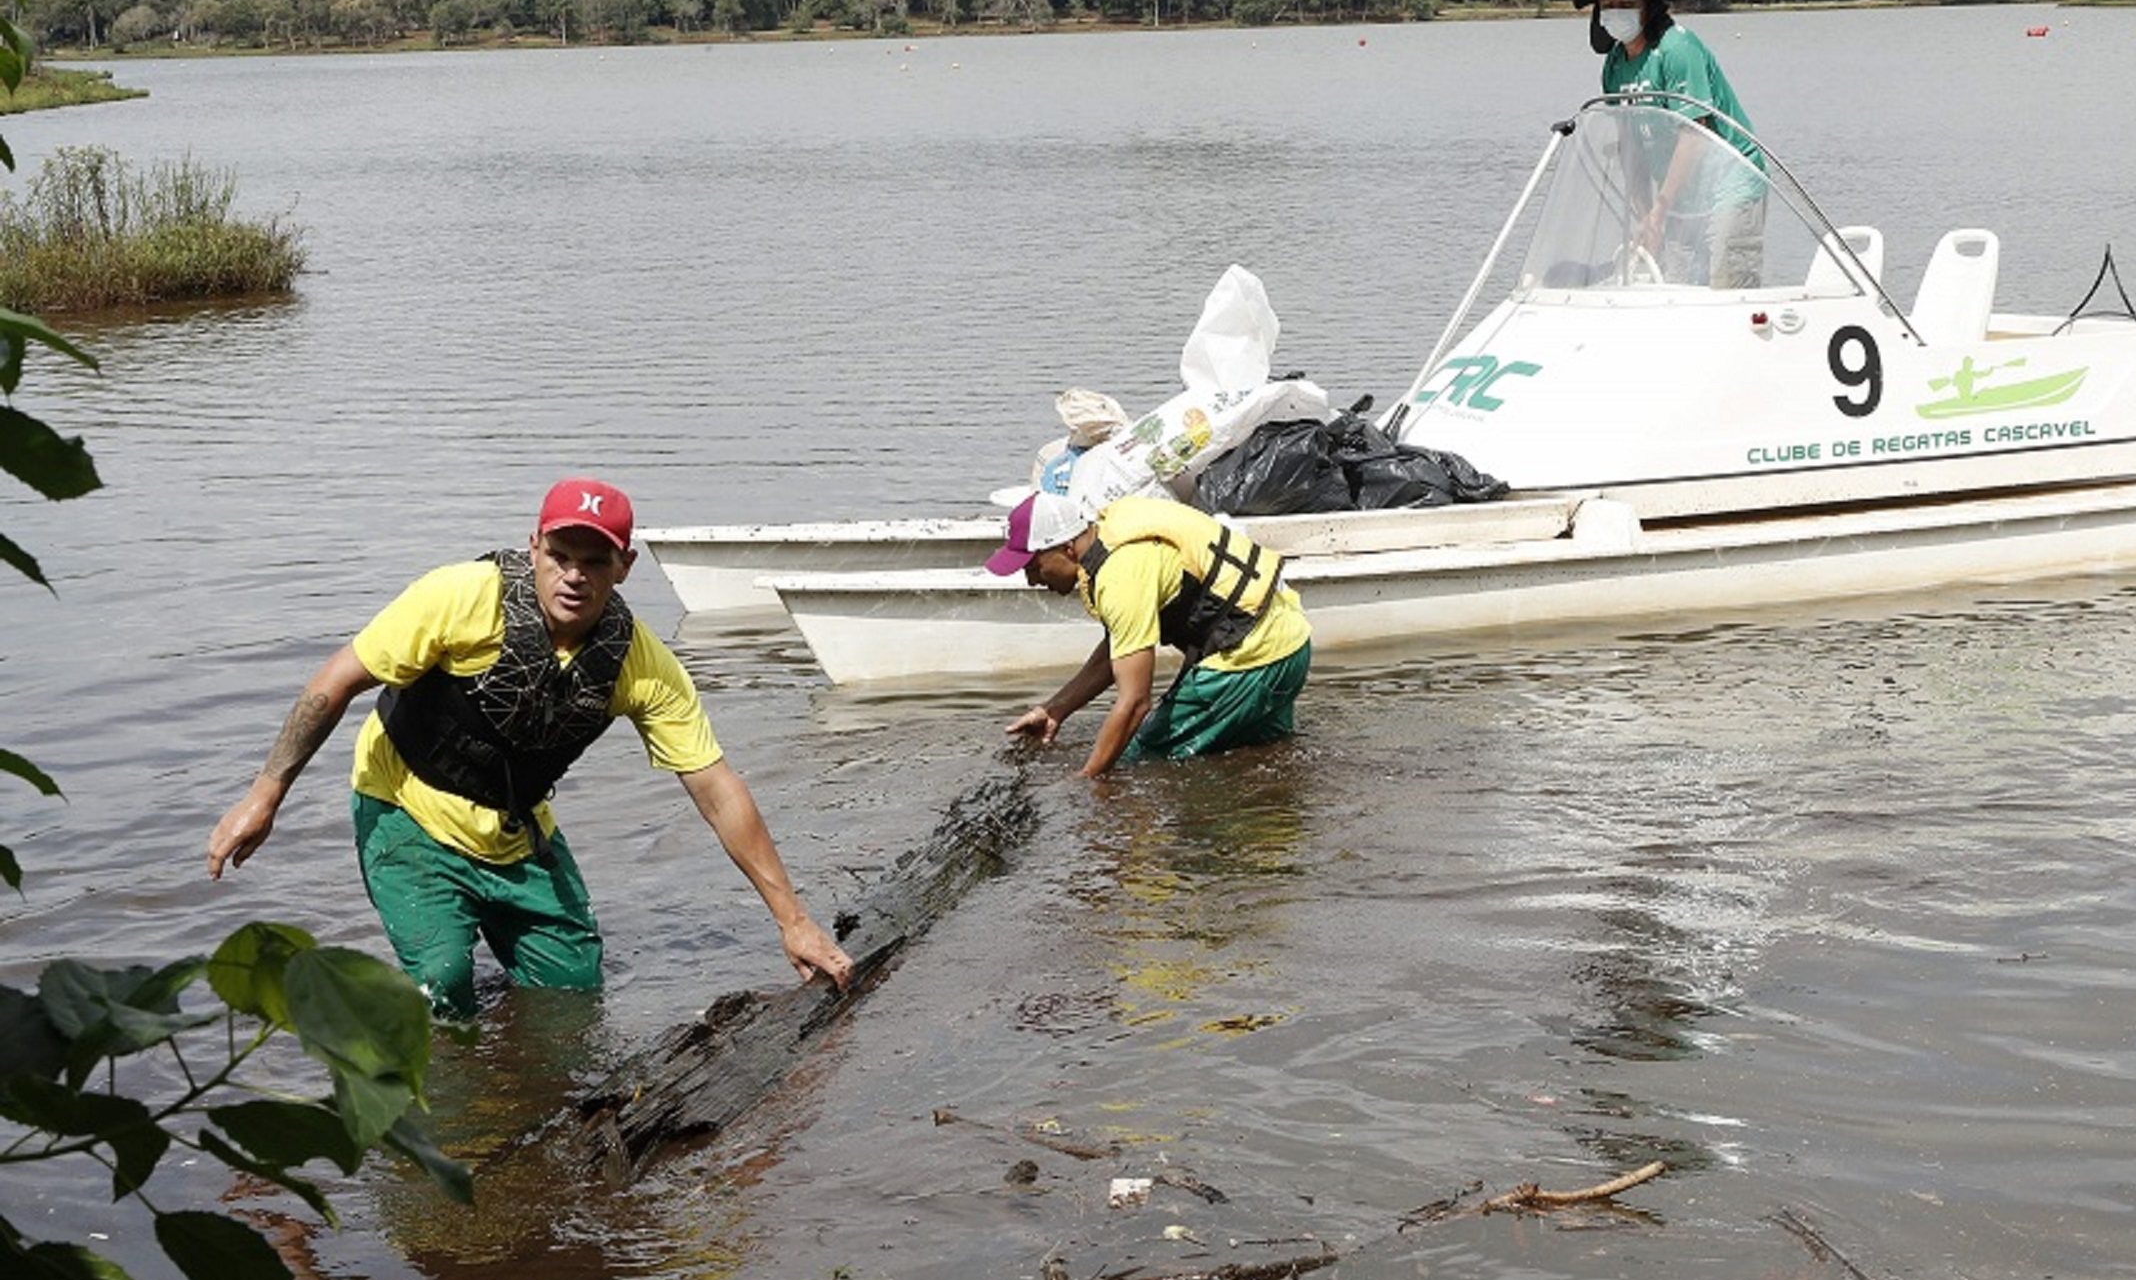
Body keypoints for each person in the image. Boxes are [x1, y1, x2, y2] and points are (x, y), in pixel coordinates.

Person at [206, 476, 853, 1017]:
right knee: (442, 982)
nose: (575, 576)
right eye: (561, 555)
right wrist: (265, 795)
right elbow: (337, 679)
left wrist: (792, 919)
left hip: (514, 831)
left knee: (571, 996)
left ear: (624, 567)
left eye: (596, 561)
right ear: (535, 546)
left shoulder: (641, 664)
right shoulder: (460, 597)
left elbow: (715, 786)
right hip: (405, 807)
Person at [989, 490, 1312, 779]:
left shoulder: (1120, 576)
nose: (1031, 581)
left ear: (1067, 548)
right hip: (1289, 642)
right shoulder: (1112, 531)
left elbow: (1134, 703)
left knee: (1140, 761)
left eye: (1033, 566)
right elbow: (1120, 647)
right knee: (1263, 757)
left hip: (1249, 660)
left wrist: (1088, 780)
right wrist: (1055, 710)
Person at [1573, 0, 1768, 288]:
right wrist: (1646, 215)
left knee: (1727, 286)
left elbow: (1694, 132)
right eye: (1608, 4)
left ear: (1648, 7)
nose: (1616, 10)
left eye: (1627, 3)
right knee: (1675, 287)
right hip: (1679, 195)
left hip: (1729, 184)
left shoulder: (1677, 48)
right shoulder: (1615, 65)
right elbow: (1629, 145)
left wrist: (1660, 211)